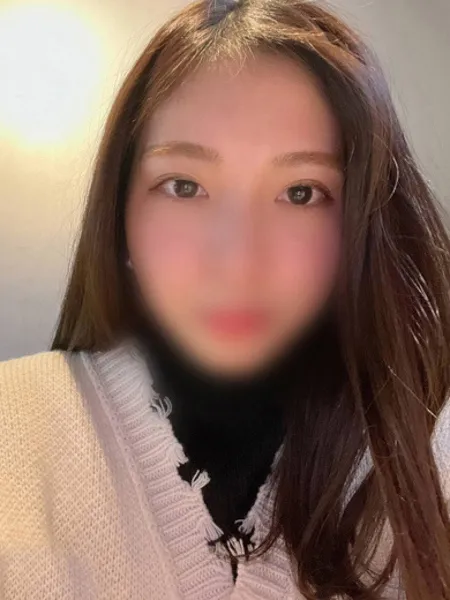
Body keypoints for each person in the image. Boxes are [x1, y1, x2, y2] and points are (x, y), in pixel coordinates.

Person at [1, 0, 450, 598]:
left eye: (301, 193)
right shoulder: (13, 427)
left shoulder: (426, 454)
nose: (238, 262)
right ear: (120, 220)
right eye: (184, 186)